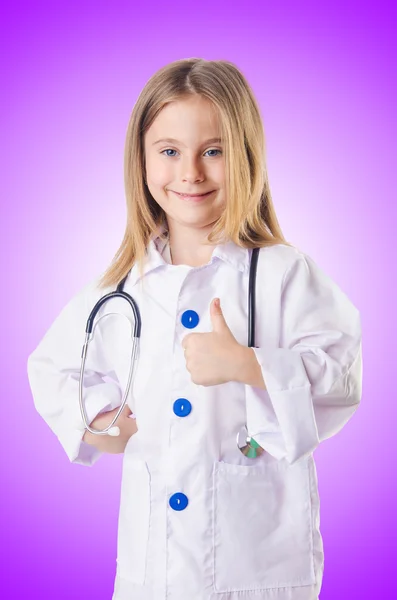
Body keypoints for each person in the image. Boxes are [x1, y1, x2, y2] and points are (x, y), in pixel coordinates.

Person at [27, 58, 362, 600]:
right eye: (169, 152)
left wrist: (247, 365)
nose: (190, 173)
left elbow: (342, 375)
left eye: (214, 150)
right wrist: (98, 419)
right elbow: (53, 368)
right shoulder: (122, 286)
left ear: (246, 155)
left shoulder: (282, 272)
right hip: (151, 572)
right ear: (140, 161)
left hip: (258, 570)